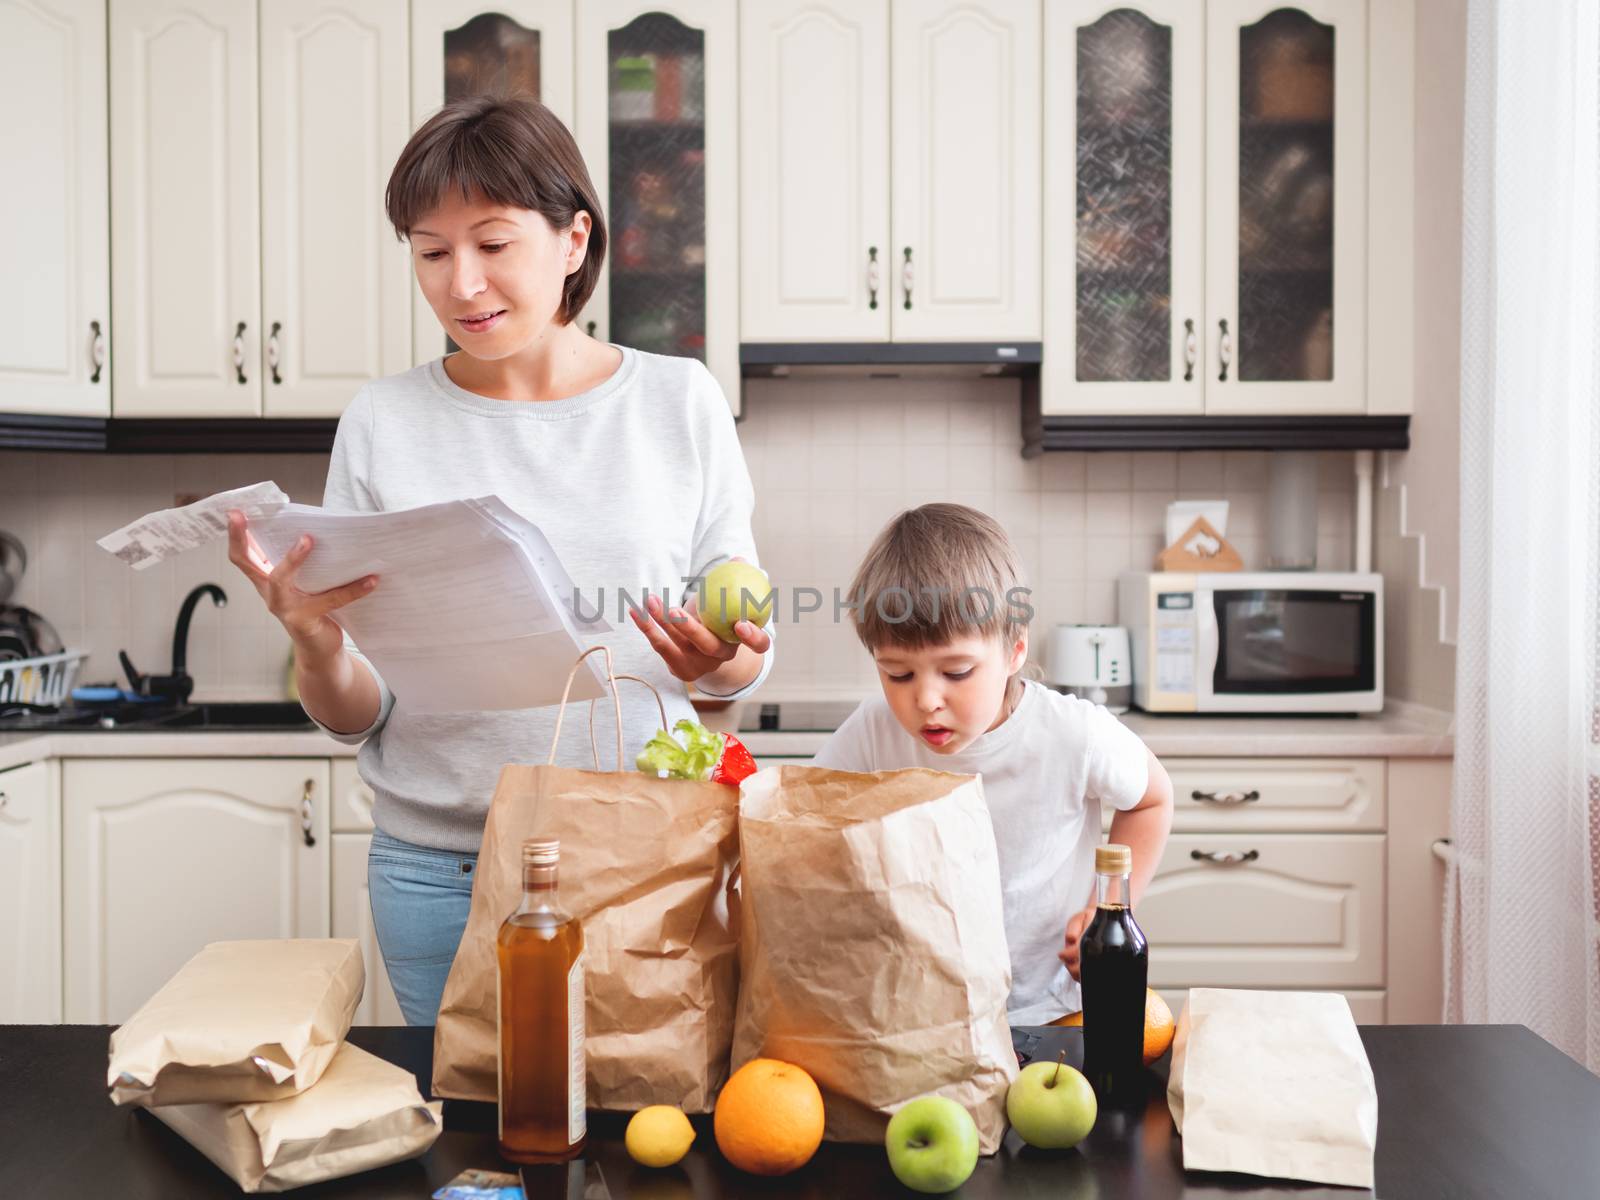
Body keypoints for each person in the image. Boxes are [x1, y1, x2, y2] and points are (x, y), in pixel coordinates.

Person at [225, 95, 772, 1025]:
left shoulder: (679, 402)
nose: (462, 283)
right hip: (441, 865)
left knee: (650, 1141)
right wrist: (317, 646)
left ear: (573, 240)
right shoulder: (383, 421)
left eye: (492, 243)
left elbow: (743, 657)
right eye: (432, 253)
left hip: (646, 851)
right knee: (471, 1148)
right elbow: (361, 714)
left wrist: (720, 657)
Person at [809, 503, 1172, 1024]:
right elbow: (803, 814)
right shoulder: (874, 729)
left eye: (956, 672)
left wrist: (1111, 904)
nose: (926, 699)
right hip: (918, 1016)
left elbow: (1153, 798)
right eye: (897, 674)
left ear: (1015, 648)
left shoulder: (1072, 733)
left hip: (1047, 1011)